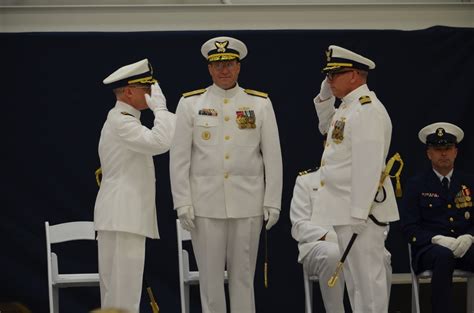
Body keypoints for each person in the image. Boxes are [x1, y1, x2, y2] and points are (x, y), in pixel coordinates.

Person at [170, 36, 283, 313]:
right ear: (209, 68)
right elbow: (179, 158)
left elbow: (273, 156)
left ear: (239, 66)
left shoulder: (259, 104)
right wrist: (182, 201)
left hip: (248, 204)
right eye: (217, 64)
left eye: (230, 63)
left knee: (243, 277)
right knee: (209, 280)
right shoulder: (190, 103)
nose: (224, 70)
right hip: (205, 205)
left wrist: (272, 201)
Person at [312, 45, 399, 313]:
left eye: (334, 75)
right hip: (346, 209)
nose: (329, 80)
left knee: (368, 284)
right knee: (355, 283)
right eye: (327, 75)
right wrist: (324, 99)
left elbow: (368, 166)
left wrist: (360, 214)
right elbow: (327, 130)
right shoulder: (348, 107)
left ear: (354, 75)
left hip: (360, 212)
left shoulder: (366, 110)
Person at [94, 58, 176, 313]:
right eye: (146, 89)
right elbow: (160, 142)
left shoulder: (124, 120)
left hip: (122, 216)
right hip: (123, 216)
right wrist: (161, 110)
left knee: (119, 293)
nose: (151, 94)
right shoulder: (121, 121)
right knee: (122, 295)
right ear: (129, 92)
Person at [290, 167, 393, 313]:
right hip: (319, 244)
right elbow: (300, 226)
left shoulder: (362, 182)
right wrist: (333, 238)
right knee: (334, 254)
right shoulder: (306, 181)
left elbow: (381, 222)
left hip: (357, 241)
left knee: (382, 257)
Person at [400, 122, 474, 313]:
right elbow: (409, 228)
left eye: (448, 148)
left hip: (465, 246)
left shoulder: (469, 182)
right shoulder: (416, 184)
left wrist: (470, 237)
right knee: (444, 256)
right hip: (430, 250)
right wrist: (436, 239)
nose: (443, 154)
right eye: (438, 149)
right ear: (429, 153)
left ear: (456, 152)